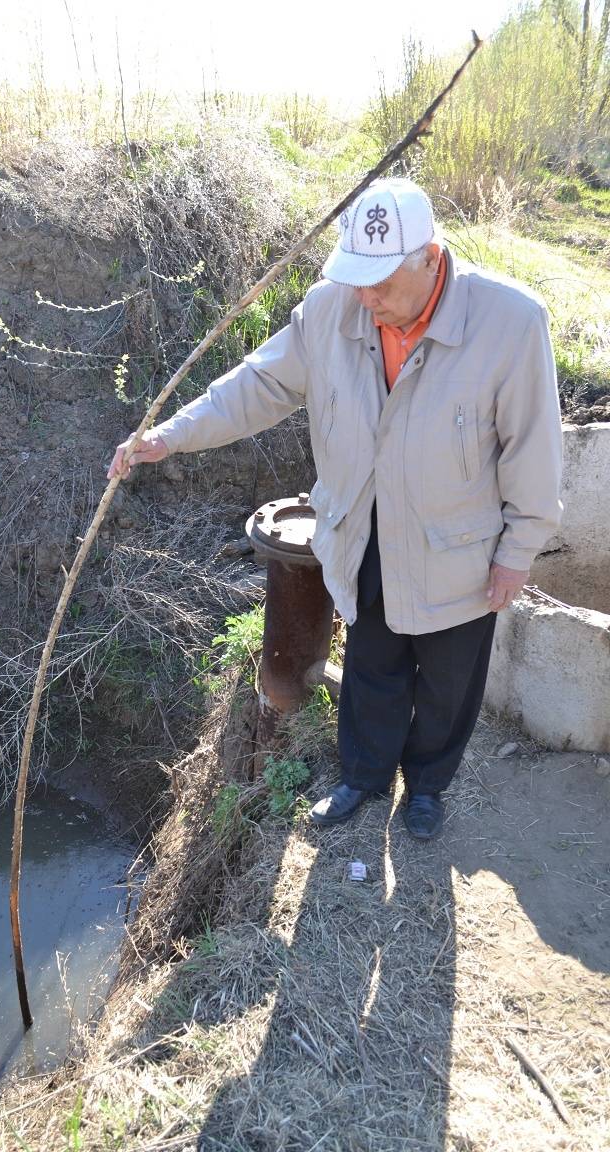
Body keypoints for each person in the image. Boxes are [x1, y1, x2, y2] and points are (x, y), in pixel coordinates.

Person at [108, 178, 563, 840]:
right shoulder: (331, 312)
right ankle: (363, 776)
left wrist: (517, 551)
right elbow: (257, 386)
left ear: (431, 259)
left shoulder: (510, 324)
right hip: (363, 535)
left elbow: (533, 448)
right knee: (372, 668)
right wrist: (170, 435)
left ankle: (428, 786)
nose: (365, 297)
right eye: (355, 278)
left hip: (457, 551)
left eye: (380, 282)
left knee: (447, 685)